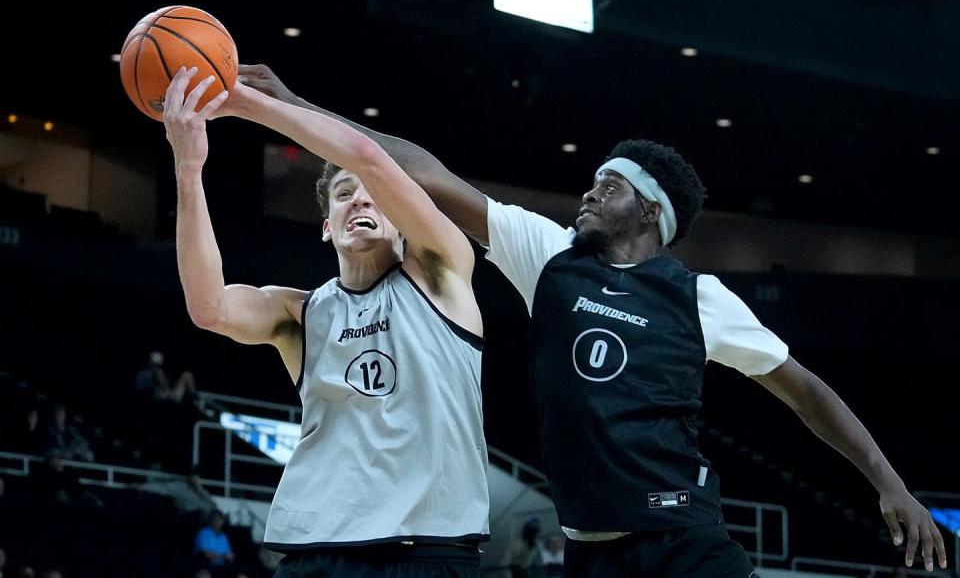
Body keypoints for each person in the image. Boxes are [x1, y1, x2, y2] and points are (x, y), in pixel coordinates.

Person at [240, 64, 948, 576]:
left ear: (649, 213)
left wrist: (889, 482)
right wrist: (307, 107)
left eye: (609, 184)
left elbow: (806, 391)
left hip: (685, 539)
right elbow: (429, 174)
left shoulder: (699, 298)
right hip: (588, 549)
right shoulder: (549, 255)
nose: (590, 188)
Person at [161, 67, 489, 577]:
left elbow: (370, 158)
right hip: (318, 550)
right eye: (343, 195)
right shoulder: (300, 312)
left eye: (373, 196)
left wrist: (253, 103)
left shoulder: (445, 272)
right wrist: (188, 168)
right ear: (326, 229)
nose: (359, 199)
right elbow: (209, 308)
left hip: (429, 548)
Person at [194, 510, 235, 575]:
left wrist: (229, 557)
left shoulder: (224, 537)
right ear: (211, 520)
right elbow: (206, 554)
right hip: (205, 565)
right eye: (215, 519)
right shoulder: (203, 533)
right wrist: (224, 556)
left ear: (223, 521)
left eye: (219, 519)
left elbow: (230, 555)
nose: (217, 521)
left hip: (222, 566)